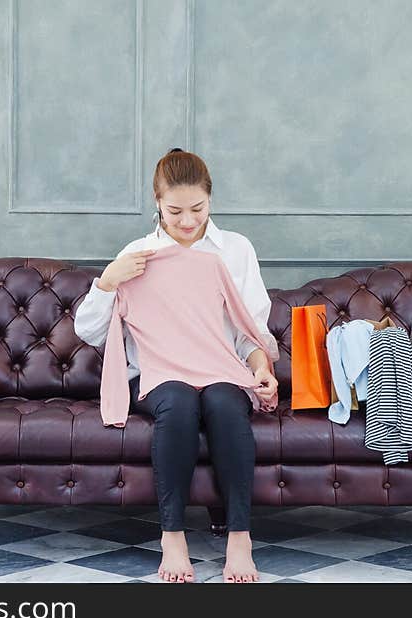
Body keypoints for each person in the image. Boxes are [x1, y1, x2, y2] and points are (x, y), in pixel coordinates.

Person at [74, 148, 280, 583]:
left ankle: (240, 538)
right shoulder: (139, 253)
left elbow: (250, 330)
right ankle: (172, 537)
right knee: (179, 402)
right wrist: (109, 280)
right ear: (156, 202)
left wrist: (261, 367)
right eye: (175, 211)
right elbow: (90, 332)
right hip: (157, 373)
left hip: (221, 369)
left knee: (225, 403)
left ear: (211, 200)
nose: (187, 221)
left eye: (197, 209)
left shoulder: (235, 250)